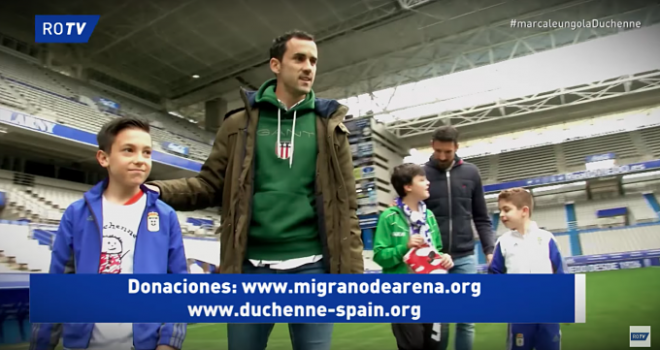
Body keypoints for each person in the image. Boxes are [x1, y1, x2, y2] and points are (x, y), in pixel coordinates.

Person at [145, 30, 363, 350]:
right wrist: (157, 191)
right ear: (275, 65)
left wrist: (352, 277)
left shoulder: (330, 126)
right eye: (299, 58)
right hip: (250, 270)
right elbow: (209, 185)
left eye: (313, 61)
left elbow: (347, 206)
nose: (308, 67)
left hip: (313, 270)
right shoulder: (237, 124)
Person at [30, 117, 188, 350]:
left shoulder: (165, 217)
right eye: (128, 150)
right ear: (103, 158)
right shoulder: (76, 213)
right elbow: (58, 284)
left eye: (147, 153)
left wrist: (169, 343)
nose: (140, 160)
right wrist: (41, 343)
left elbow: (178, 284)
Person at [422, 125, 495, 350]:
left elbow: (481, 217)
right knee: (439, 321)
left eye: (448, 152)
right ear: (432, 145)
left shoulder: (471, 173)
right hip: (433, 259)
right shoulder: (420, 174)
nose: (442, 157)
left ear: (456, 148)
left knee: (466, 320)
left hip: (465, 257)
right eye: (438, 151)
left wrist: (490, 250)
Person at [373, 163, 453, 350]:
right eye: (422, 179)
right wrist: (404, 247)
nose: (428, 183)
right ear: (408, 187)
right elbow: (379, 255)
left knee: (435, 344)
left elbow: (436, 250)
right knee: (413, 345)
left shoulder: (429, 216)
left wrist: (444, 258)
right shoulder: (389, 217)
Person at [488, 188, 564, 350]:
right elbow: (495, 274)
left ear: (524, 211)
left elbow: (559, 272)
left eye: (506, 209)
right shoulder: (503, 242)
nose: (501, 215)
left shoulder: (546, 238)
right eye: (500, 210)